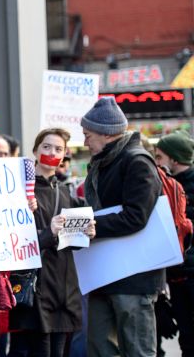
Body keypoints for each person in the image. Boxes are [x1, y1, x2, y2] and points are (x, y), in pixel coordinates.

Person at [81, 97, 163, 356]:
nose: (85, 142)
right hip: (105, 273)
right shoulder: (104, 163)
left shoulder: (137, 161)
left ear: (106, 134)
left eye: (88, 135)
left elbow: (137, 216)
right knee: (99, 346)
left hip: (134, 277)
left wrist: (93, 225)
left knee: (136, 348)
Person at [8, 128, 96, 357]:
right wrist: (49, 232)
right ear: (35, 150)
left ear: (64, 154)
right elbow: (15, 241)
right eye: (46, 147)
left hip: (63, 285)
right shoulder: (20, 191)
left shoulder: (66, 192)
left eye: (58, 149)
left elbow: (72, 243)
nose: (52, 152)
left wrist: (85, 233)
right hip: (36, 285)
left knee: (60, 350)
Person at [154, 131, 194, 356]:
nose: (157, 162)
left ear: (175, 159)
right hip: (176, 275)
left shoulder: (176, 188)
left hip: (186, 273)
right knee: (186, 339)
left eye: (159, 157)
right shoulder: (168, 185)